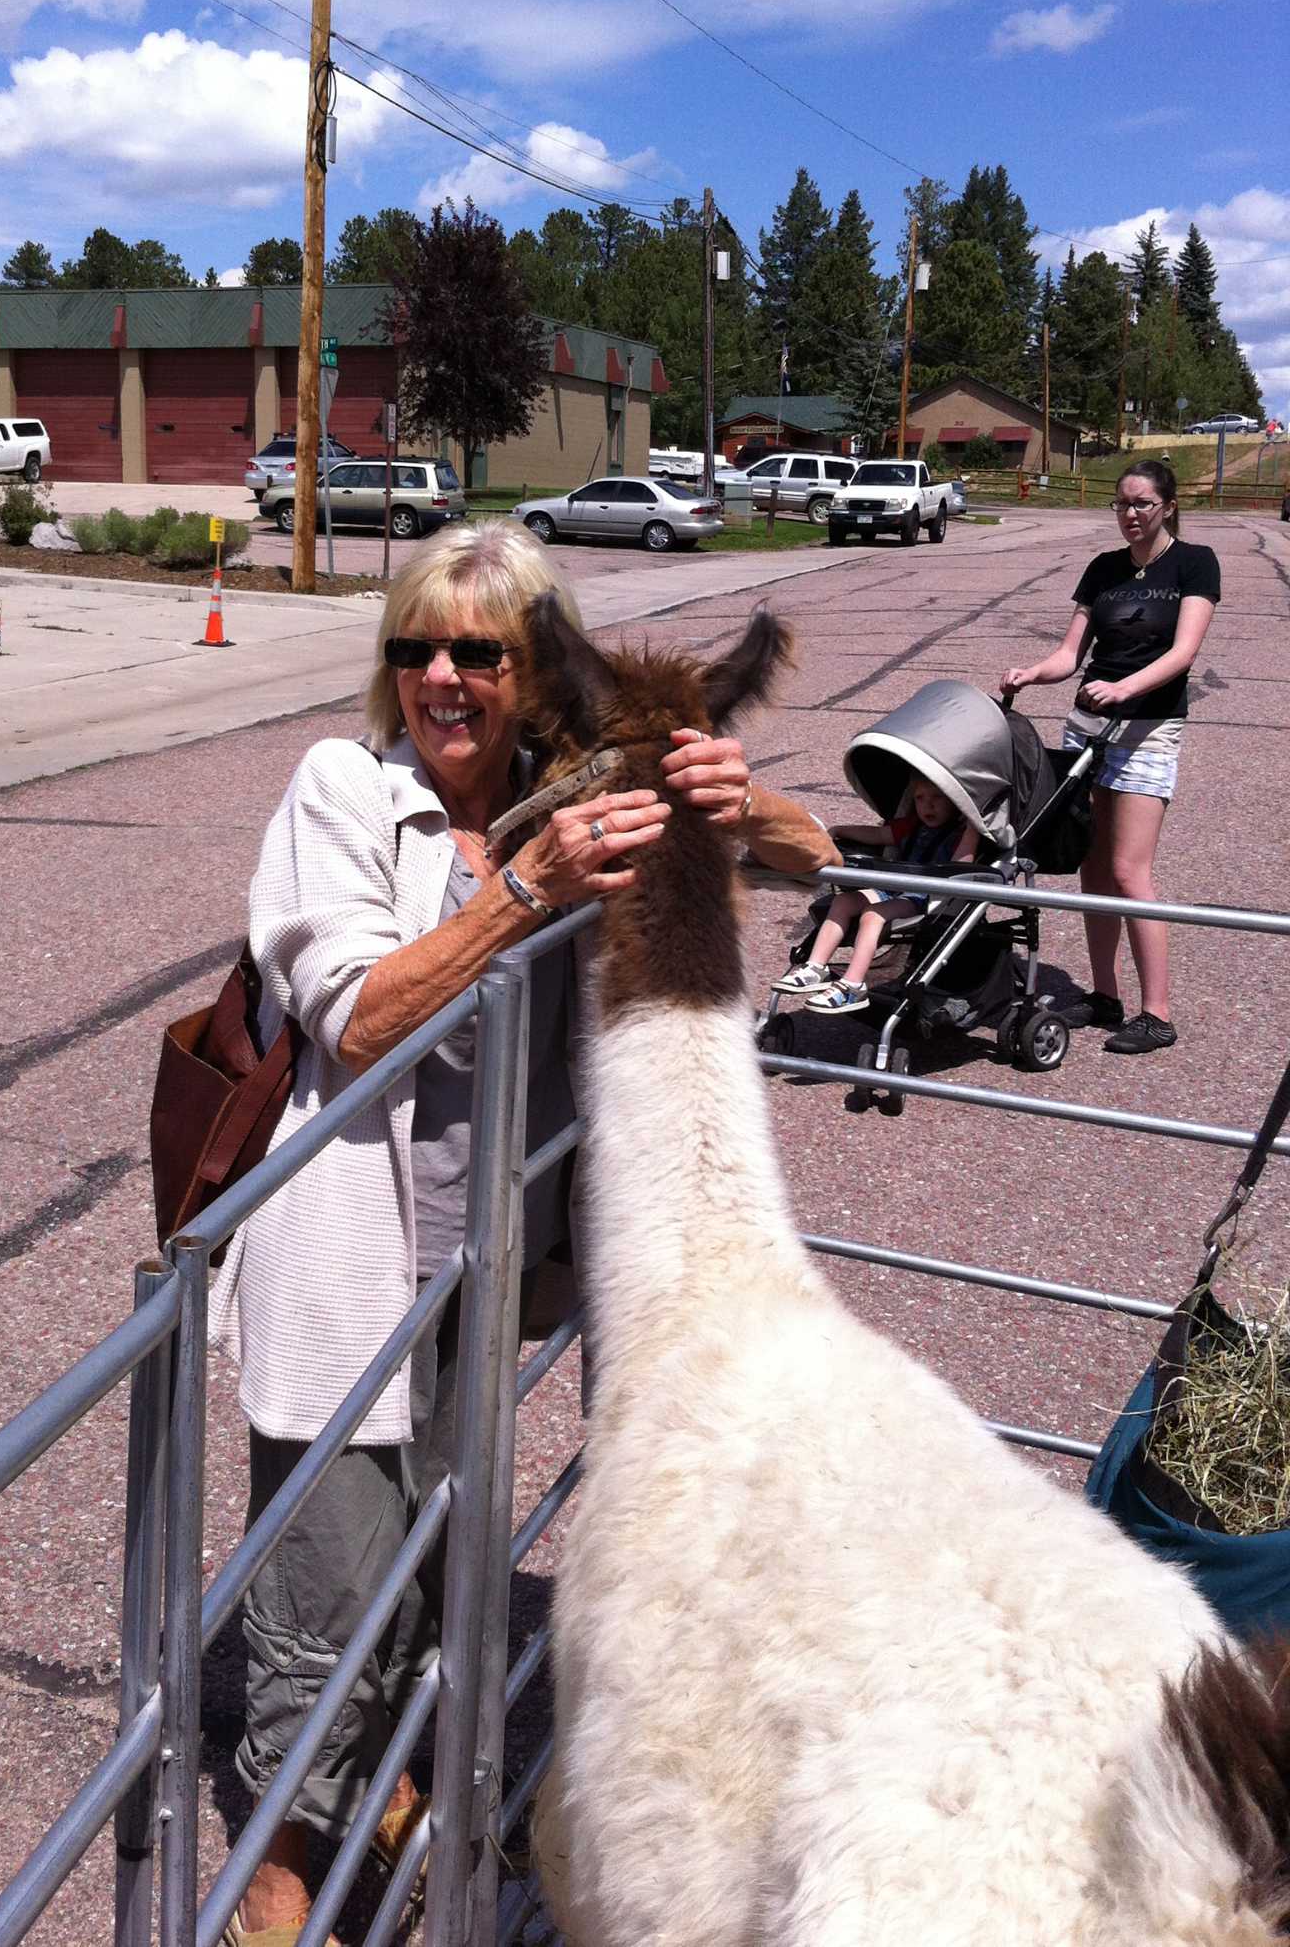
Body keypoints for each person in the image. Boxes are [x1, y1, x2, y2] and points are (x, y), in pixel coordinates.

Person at [214, 518, 832, 1942]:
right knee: (322, 1614)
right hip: (347, 1279)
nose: (442, 675)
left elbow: (807, 855)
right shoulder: (344, 796)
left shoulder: (574, 788)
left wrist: (734, 800)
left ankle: (417, 1814)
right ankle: (279, 1887)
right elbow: (360, 1016)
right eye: (414, 647)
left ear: (528, 671)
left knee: (446, 1583)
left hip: (481, 1281)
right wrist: (523, 892)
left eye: (477, 650)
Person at [1000, 460, 1219, 1054]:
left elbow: (1182, 653)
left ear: (1168, 506)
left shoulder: (1194, 564)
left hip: (1148, 728)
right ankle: (1104, 996)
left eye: (1143, 504)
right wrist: (1031, 673)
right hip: (1087, 727)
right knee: (1092, 868)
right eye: (1122, 504)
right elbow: (1070, 655)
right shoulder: (1103, 570)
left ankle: (1158, 1013)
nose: (1130, 515)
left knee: (1129, 870)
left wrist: (1126, 689)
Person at [772, 777, 979, 1014]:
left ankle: (853, 985)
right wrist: (840, 830)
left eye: (937, 798)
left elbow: (962, 865)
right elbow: (879, 835)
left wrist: (973, 828)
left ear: (955, 803)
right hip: (893, 887)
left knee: (873, 914)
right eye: (920, 799)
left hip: (925, 898)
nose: (927, 805)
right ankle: (815, 967)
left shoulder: (960, 834)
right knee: (843, 901)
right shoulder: (912, 827)